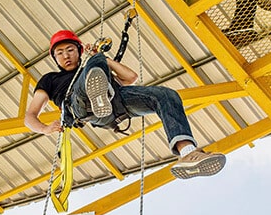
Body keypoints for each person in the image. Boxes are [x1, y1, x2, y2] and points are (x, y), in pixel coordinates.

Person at [24, 30, 226, 180]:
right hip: (79, 105)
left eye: (70, 50)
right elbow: (30, 116)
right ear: (55, 58)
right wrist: (44, 128)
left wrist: (100, 57)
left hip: (114, 105)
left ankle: (187, 152)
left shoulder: (92, 64)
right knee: (92, 72)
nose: (66, 55)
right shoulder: (50, 79)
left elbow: (130, 77)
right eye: (60, 53)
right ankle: (97, 95)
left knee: (166, 95)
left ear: (79, 51)